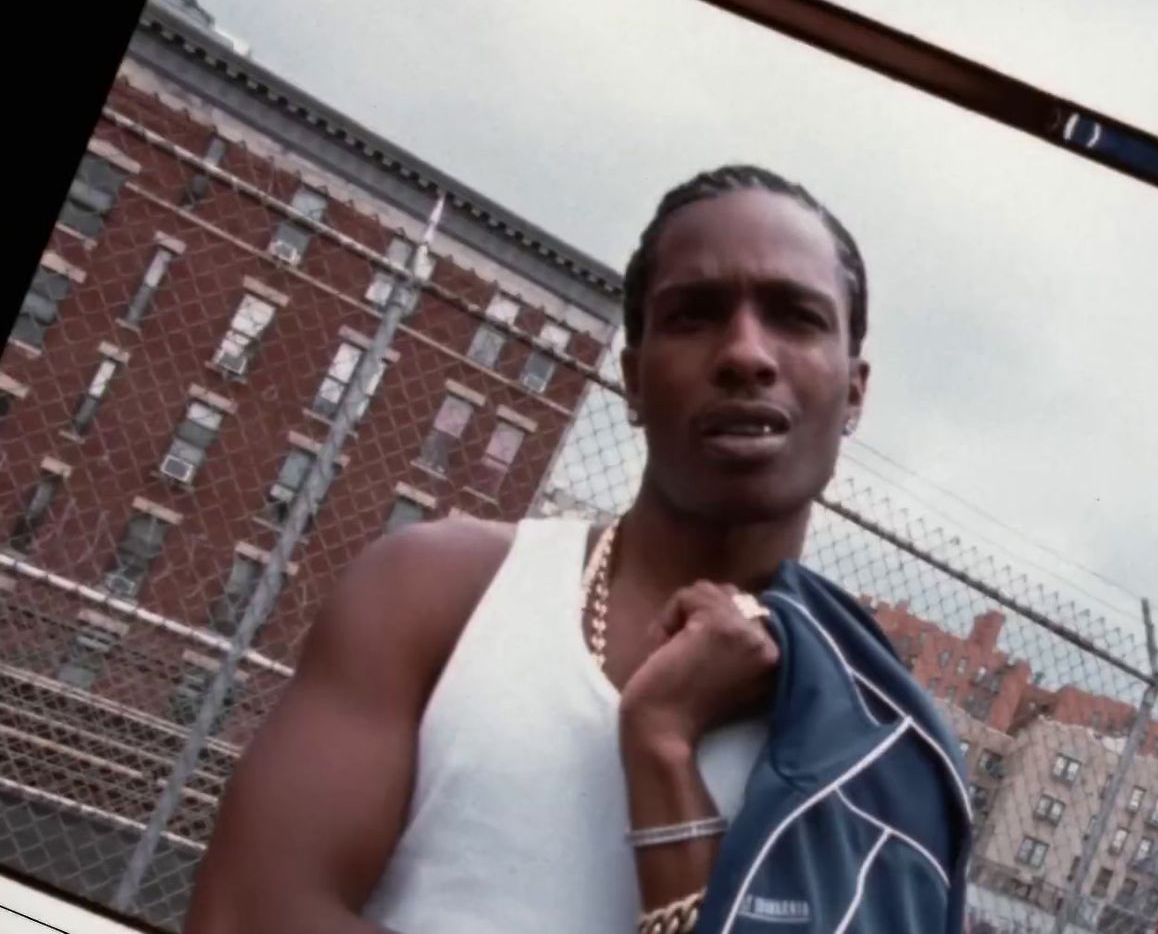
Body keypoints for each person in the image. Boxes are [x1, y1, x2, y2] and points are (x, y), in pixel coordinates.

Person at [183, 164, 878, 933]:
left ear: (854, 391)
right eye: (695, 315)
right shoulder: (440, 587)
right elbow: (246, 913)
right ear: (632, 381)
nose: (746, 353)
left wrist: (664, 747)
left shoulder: (876, 735)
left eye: (795, 316)